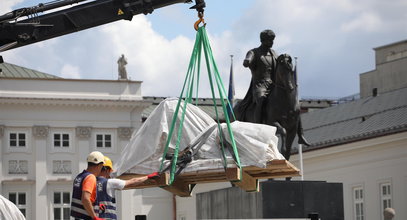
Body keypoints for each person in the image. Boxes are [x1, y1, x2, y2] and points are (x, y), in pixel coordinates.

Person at [234, 29, 278, 123]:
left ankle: (300, 132)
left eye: (272, 40)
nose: (272, 42)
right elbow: (248, 59)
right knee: (261, 99)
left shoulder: (274, 54)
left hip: (273, 85)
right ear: (263, 40)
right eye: (270, 40)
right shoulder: (254, 52)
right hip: (260, 85)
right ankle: (258, 124)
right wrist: (247, 61)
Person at [95, 156, 159, 219]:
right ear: (107, 170)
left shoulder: (91, 182)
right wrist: (148, 177)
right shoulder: (110, 182)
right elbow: (133, 181)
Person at [71, 151, 105, 220]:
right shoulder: (90, 177)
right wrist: (94, 217)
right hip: (85, 217)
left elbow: (80, 197)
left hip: (78, 217)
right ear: (99, 166)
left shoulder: (80, 176)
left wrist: (96, 206)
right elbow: (85, 199)